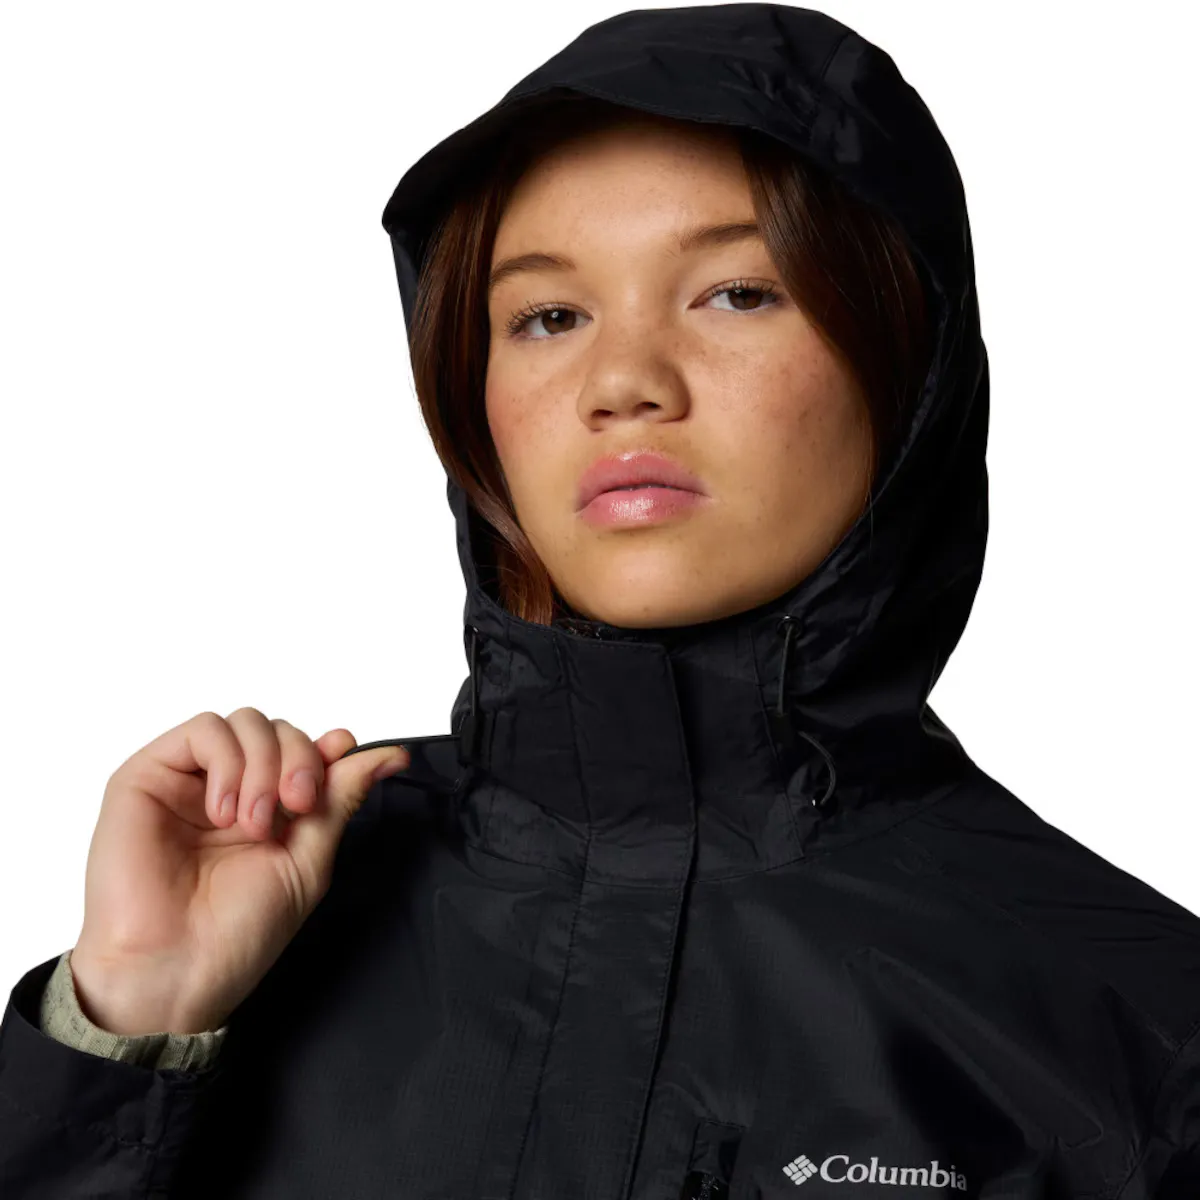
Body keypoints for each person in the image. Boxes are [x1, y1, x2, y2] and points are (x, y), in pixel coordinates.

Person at [2, 4, 1198, 1197]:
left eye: (737, 293)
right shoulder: (272, 905)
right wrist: (128, 1027)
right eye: (549, 317)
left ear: (906, 363)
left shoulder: (1141, 1034)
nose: (621, 382)